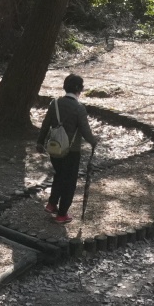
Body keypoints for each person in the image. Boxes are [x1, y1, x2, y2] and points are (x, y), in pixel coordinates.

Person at [38, 73, 99, 223]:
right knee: (69, 181)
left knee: (59, 175)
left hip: (54, 148)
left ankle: (52, 204)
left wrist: (40, 142)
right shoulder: (79, 108)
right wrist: (93, 142)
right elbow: (85, 131)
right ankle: (62, 214)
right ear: (79, 89)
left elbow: (45, 125)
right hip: (71, 151)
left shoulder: (55, 103)